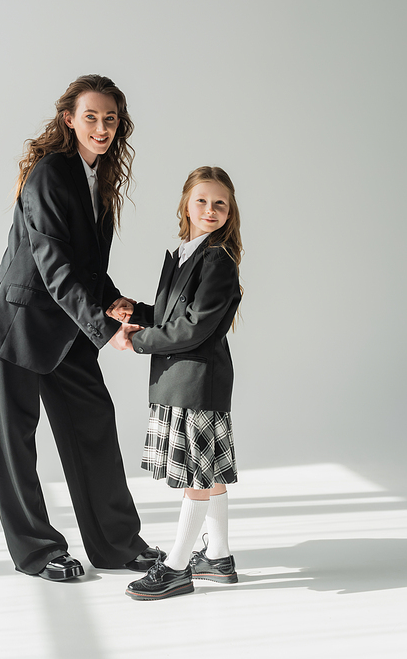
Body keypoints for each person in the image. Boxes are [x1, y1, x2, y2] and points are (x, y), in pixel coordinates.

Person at [0, 75, 162, 581]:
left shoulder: (97, 177)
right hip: (18, 324)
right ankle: (38, 551)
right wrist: (105, 328)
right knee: (17, 443)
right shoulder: (51, 174)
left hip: (67, 325)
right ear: (69, 120)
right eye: (91, 117)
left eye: (111, 119)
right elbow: (54, 265)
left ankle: (117, 544)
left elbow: (85, 266)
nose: (102, 128)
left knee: (93, 425)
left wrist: (112, 300)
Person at [108, 166, 243, 600]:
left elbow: (195, 328)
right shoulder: (187, 253)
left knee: (196, 477)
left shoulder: (218, 260)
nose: (210, 209)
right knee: (209, 470)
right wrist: (140, 312)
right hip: (184, 379)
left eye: (219, 203)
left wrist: (138, 340)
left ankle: (178, 566)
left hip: (195, 381)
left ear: (229, 212)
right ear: (186, 203)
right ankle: (217, 557)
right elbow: (175, 317)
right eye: (202, 200)